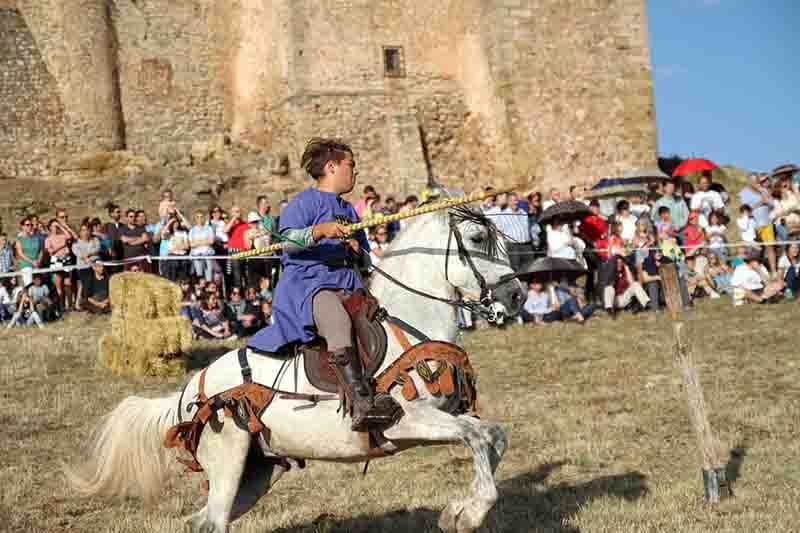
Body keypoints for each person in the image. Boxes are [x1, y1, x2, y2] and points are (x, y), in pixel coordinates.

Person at [248, 137, 395, 431]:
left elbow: (365, 256)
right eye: (350, 165)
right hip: (310, 286)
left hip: (349, 283)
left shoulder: (350, 210)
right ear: (331, 167)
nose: (355, 172)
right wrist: (320, 230)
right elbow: (287, 243)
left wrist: (357, 250)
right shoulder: (302, 204)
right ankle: (361, 401)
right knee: (338, 322)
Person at [739, 173, 776, 273]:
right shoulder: (744, 193)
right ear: (749, 182)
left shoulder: (764, 190)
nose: (756, 183)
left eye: (757, 181)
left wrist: (765, 198)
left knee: (770, 247)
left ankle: (773, 271)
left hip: (767, 223)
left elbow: (772, 205)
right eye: (753, 181)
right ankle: (755, 271)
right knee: (756, 250)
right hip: (753, 225)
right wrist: (761, 202)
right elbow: (745, 210)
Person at [45, 214, 78, 312]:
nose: (55, 228)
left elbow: (69, 236)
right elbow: (50, 251)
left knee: (68, 283)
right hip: (56, 262)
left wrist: (61, 226)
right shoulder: (48, 239)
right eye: (53, 226)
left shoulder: (62, 236)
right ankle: (61, 306)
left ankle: (70, 305)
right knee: (58, 285)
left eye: (56, 226)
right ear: (50, 228)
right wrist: (61, 247)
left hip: (66, 260)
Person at [71, 222, 101, 311]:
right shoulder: (76, 243)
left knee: (89, 286)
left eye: (87, 230)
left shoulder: (95, 240)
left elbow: (97, 249)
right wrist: (89, 257)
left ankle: (83, 303)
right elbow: (79, 254)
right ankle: (85, 304)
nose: (85, 232)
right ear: (80, 232)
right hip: (83, 268)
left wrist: (89, 254)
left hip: (95, 266)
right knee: (86, 286)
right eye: (83, 230)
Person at [189, 210, 217, 282]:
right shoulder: (192, 230)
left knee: (209, 278)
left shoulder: (209, 228)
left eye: (201, 217)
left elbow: (211, 241)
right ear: (195, 219)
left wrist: (198, 242)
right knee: (199, 277)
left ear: (204, 218)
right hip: (197, 256)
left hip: (208, 255)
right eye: (197, 217)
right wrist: (205, 241)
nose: (199, 219)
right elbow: (191, 244)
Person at [14, 217, 42, 286]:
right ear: (22, 226)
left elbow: (41, 251)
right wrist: (32, 262)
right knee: (29, 284)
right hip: (26, 264)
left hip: (36, 264)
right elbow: (20, 254)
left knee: (38, 285)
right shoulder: (19, 239)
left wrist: (38, 261)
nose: (29, 226)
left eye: (31, 225)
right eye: (27, 225)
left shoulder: (36, 238)